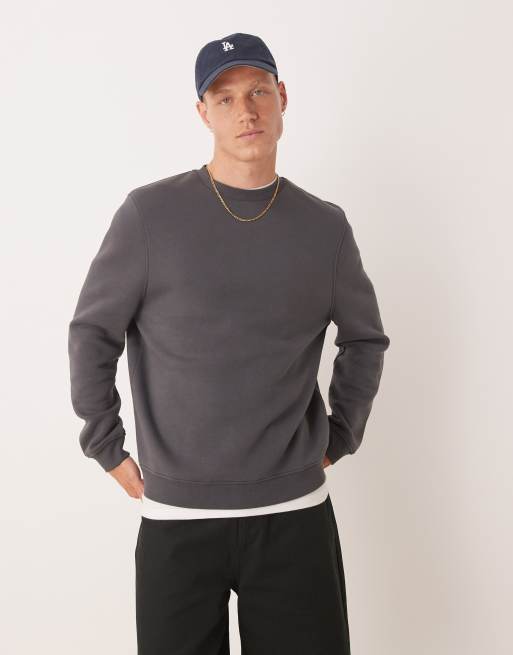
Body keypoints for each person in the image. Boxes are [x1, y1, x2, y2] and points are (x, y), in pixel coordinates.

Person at [68, 31, 390, 655]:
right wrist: (105, 445)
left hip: (294, 514)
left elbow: (365, 338)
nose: (245, 111)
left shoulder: (324, 227)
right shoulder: (149, 216)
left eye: (258, 92)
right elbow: (92, 332)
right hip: (178, 521)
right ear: (203, 112)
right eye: (224, 98)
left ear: (282, 97)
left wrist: (340, 435)